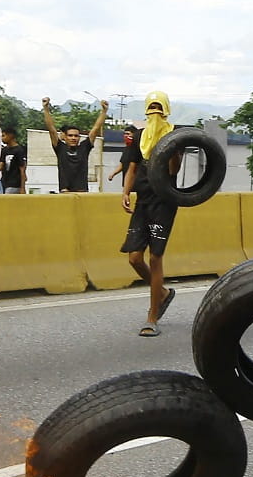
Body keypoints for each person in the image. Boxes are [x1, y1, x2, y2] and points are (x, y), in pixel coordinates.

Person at [120, 91, 178, 337]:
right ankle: (162, 293)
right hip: (143, 201)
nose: (154, 111)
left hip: (164, 202)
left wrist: (174, 150)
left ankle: (152, 317)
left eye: (158, 107)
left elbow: (174, 170)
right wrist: (125, 192)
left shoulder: (173, 135)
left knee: (155, 258)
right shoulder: (140, 137)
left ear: (165, 109)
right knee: (134, 258)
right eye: (151, 107)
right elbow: (132, 167)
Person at [43, 97, 107, 193]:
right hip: (65, 191)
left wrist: (104, 111)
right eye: (70, 135)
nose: (73, 138)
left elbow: (96, 128)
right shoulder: (60, 148)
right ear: (64, 136)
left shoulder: (84, 147)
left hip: (82, 191)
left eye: (76, 136)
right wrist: (46, 108)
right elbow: (51, 129)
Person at [0, 128, 27, 194]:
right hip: (4, 183)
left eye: (3, 136)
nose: (2, 138)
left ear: (10, 136)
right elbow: (1, 165)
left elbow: (22, 169)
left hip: (15, 184)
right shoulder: (4, 150)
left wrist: (22, 187)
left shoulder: (19, 150)